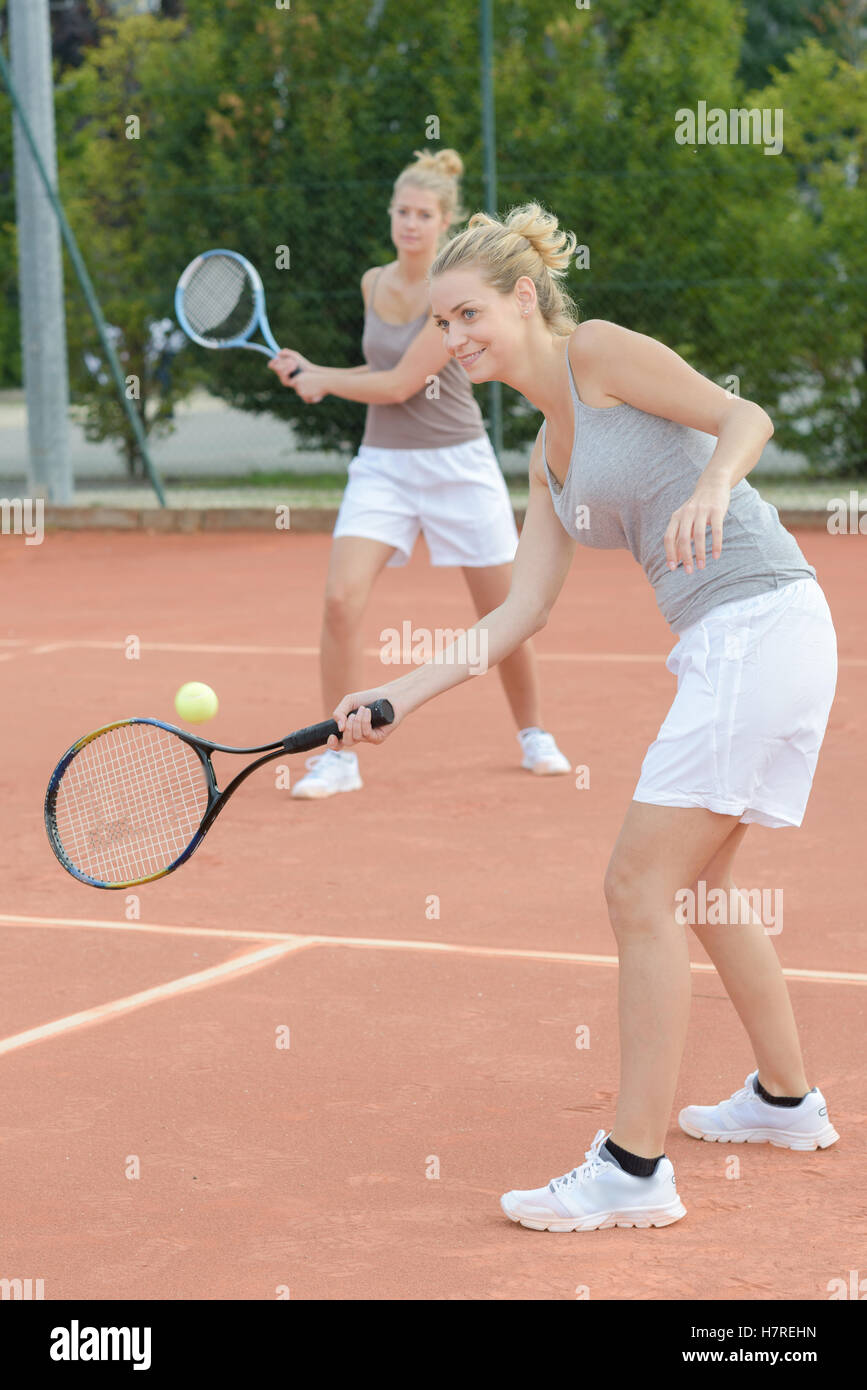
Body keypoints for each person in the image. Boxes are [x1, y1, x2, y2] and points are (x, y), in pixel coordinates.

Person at [324, 202, 840, 1232]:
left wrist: (713, 486)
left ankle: (634, 1169)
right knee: (700, 883)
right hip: (737, 641)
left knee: (638, 883)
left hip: (759, 622)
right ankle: (787, 1103)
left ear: (525, 298)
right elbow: (522, 609)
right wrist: (395, 698)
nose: (457, 338)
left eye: (470, 315)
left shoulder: (598, 354)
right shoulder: (546, 460)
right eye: (443, 324)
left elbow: (744, 417)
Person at [268, 150, 569, 798]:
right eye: (401, 211)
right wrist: (313, 371)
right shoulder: (374, 283)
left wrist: (326, 381)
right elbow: (377, 374)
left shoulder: (448, 294)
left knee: (505, 610)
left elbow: (405, 381)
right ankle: (338, 756)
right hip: (383, 467)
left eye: (423, 214)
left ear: (444, 221)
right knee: (340, 600)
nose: (409, 223)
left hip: (457, 462)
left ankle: (533, 732)